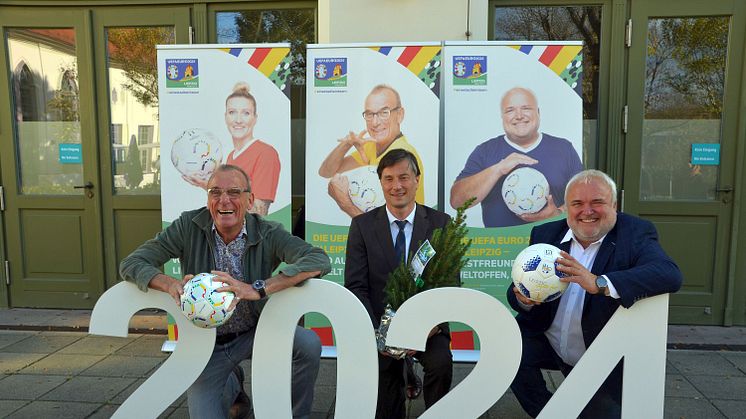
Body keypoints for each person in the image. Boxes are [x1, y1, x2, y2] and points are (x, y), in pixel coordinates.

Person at [120, 164, 330, 419]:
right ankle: (233, 384)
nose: (224, 201)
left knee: (308, 343)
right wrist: (170, 284)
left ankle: (296, 415)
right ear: (208, 198)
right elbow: (131, 263)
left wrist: (259, 288)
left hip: (256, 332)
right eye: (215, 192)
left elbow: (318, 259)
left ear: (249, 199)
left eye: (233, 192)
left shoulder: (268, 232)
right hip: (207, 343)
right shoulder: (189, 226)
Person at [507, 169, 683, 418]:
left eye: (597, 202)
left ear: (614, 204)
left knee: (603, 413)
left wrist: (599, 282)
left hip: (599, 356)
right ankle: (549, 414)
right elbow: (517, 287)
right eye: (577, 203)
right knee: (509, 353)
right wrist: (524, 299)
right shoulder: (546, 235)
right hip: (549, 342)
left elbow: (669, 274)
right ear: (566, 207)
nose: (586, 211)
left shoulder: (635, 233)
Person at [344, 149, 453, 418]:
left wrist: (423, 331)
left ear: (417, 179)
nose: (397, 186)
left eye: (404, 177)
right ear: (380, 182)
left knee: (441, 364)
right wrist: (379, 336)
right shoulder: (362, 226)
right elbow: (356, 286)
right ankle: (402, 379)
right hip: (380, 330)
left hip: (429, 329)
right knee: (384, 389)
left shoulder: (440, 224)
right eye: (389, 179)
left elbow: (449, 285)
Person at [450, 87, 583, 227]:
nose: (519, 116)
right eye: (510, 110)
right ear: (502, 117)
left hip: (549, 245)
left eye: (526, 108)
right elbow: (457, 202)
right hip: (500, 245)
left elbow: (584, 200)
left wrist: (557, 213)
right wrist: (498, 169)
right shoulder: (485, 151)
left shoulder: (563, 148)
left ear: (538, 112)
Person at [319, 84, 425, 218]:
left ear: (400, 115)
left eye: (384, 113)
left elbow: (387, 227)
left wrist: (345, 203)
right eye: (369, 114)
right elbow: (326, 172)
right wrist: (347, 144)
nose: (375, 122)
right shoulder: (373, 146)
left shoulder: (401, 155)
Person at [184, 82, 281, 216]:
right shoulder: (231, 157)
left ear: (255, 118)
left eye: (246, 113)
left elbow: (259, 213)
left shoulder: (266, 154)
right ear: (225, 117)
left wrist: (210, 186)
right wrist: (206, 184)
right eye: (232, 112)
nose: (238, 120)